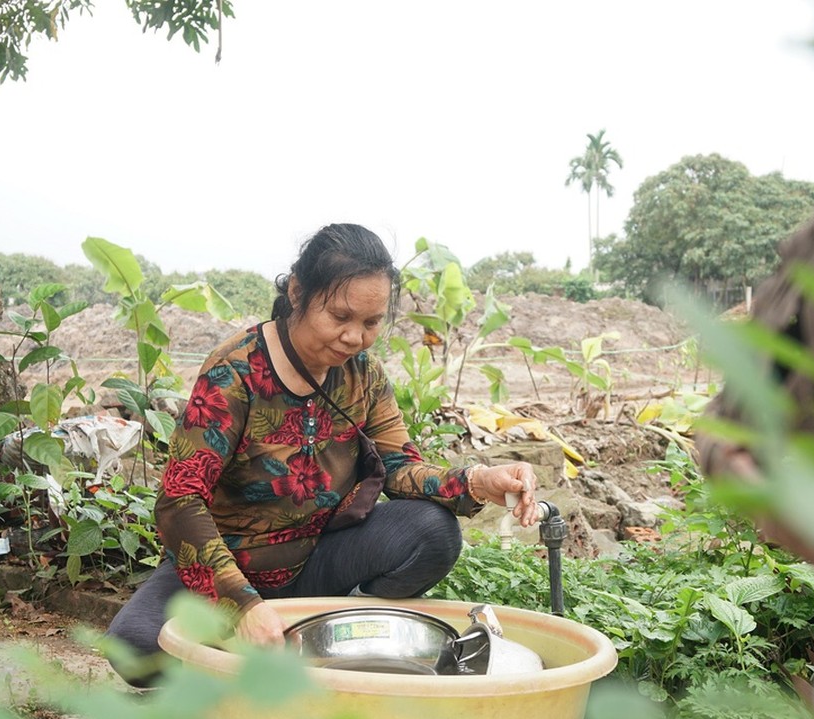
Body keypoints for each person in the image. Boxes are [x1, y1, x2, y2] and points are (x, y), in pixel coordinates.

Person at [105, 223, 541, 685]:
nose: (355, 337)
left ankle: (333, 643)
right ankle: (253, 655)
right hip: (230, 566)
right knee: (135, 645)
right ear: (298, 293)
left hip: (316, 562)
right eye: (340, 317)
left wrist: (477, 482)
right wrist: (241, 605)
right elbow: (180, 499)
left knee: (432, 531)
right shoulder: (234, 373)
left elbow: (400, 466)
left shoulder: (363, 376)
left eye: (371, 323)